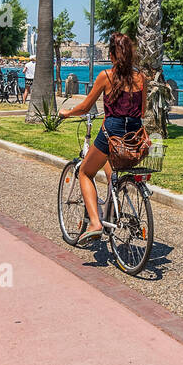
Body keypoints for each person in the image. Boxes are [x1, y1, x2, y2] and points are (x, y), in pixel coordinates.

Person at [58, 32, 144, 241]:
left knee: (85, 173)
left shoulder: (106, 76)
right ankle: (113, 212)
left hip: (112, 131)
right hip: (134, 133)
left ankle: (96, 222)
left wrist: (67, 113)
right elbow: (142, 110)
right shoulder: (140, 77)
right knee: (111, 174)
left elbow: (86, 106)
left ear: (113, 54)